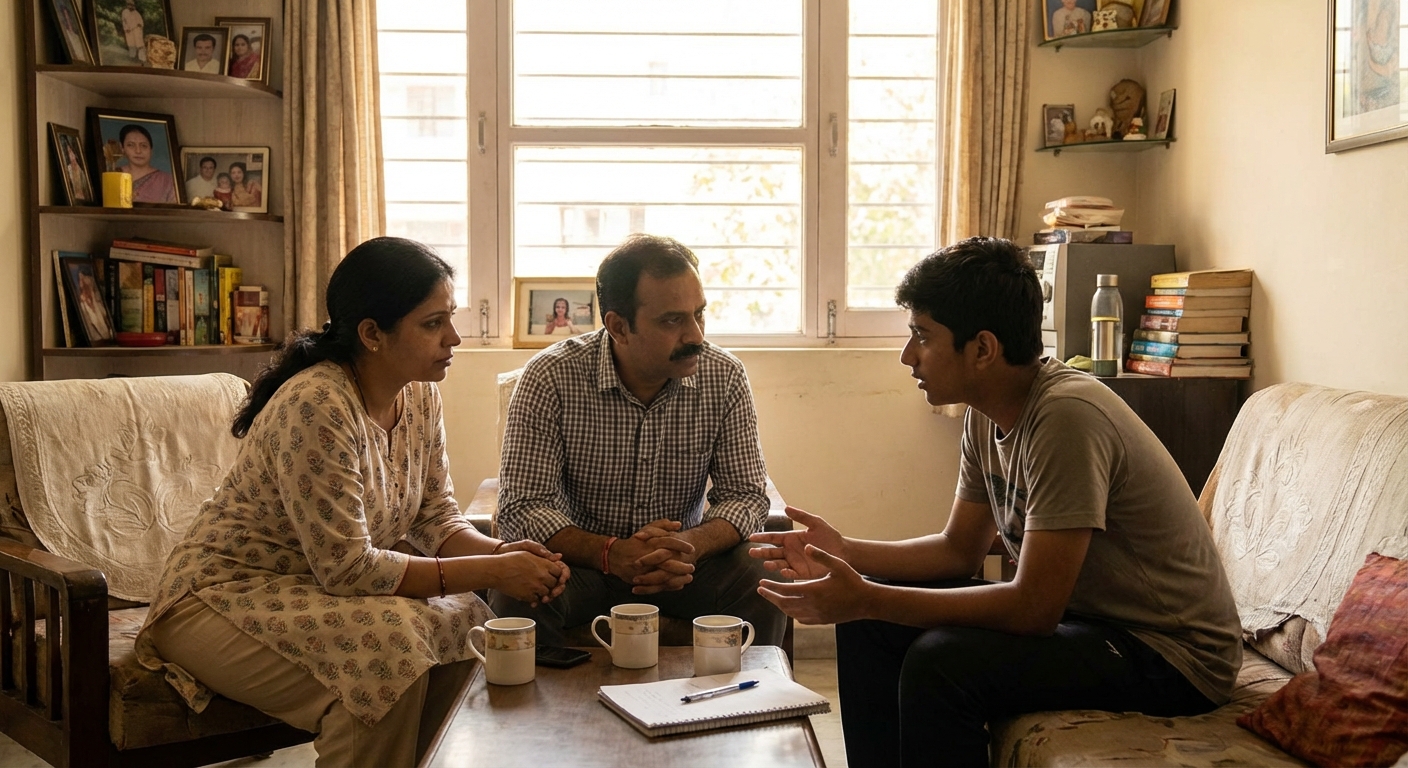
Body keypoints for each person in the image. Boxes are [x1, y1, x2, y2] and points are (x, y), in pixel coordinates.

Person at [749, 237, 1242, 767]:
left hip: (1173, 655)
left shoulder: (1067, 418)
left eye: (922, 336)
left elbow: (1032, 609)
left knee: (939, 661)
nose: (906, 355)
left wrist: (867, 595)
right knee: (871, 626)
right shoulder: (987, 412)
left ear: (982, 349)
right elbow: (958, 550)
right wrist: (846, 551)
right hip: (1094, 625)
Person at [134, 237, 571, 767]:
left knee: (463, 620)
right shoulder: (316, 404)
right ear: (371, 335)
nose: (454, 338)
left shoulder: (418, 392)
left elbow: (435, 515)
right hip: (219, 597)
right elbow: (348, 569)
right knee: (388, 654)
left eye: (449, 318)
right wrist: (494, 571)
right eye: (433, 324)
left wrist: (497, 553)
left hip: (310, 589)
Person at [492, 233, 786, 648]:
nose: (696, 335)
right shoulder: (551, 377)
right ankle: (541, 712)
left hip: (682, 569)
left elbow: (747, 495)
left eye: (699, 314)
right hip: (583, 568)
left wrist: (689, 544)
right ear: (618, 326)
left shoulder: (724, 376)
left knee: (766, 576)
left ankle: (751, 707)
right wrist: (612, 553)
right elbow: (522, 507)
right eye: (672, 320)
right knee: (516, 584)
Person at [116, 124, 177, 204]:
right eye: (131, 145)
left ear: (151, 150)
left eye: (144, 146)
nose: (138, 151)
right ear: (122, 148)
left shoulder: (167, 181)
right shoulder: (114, 175)